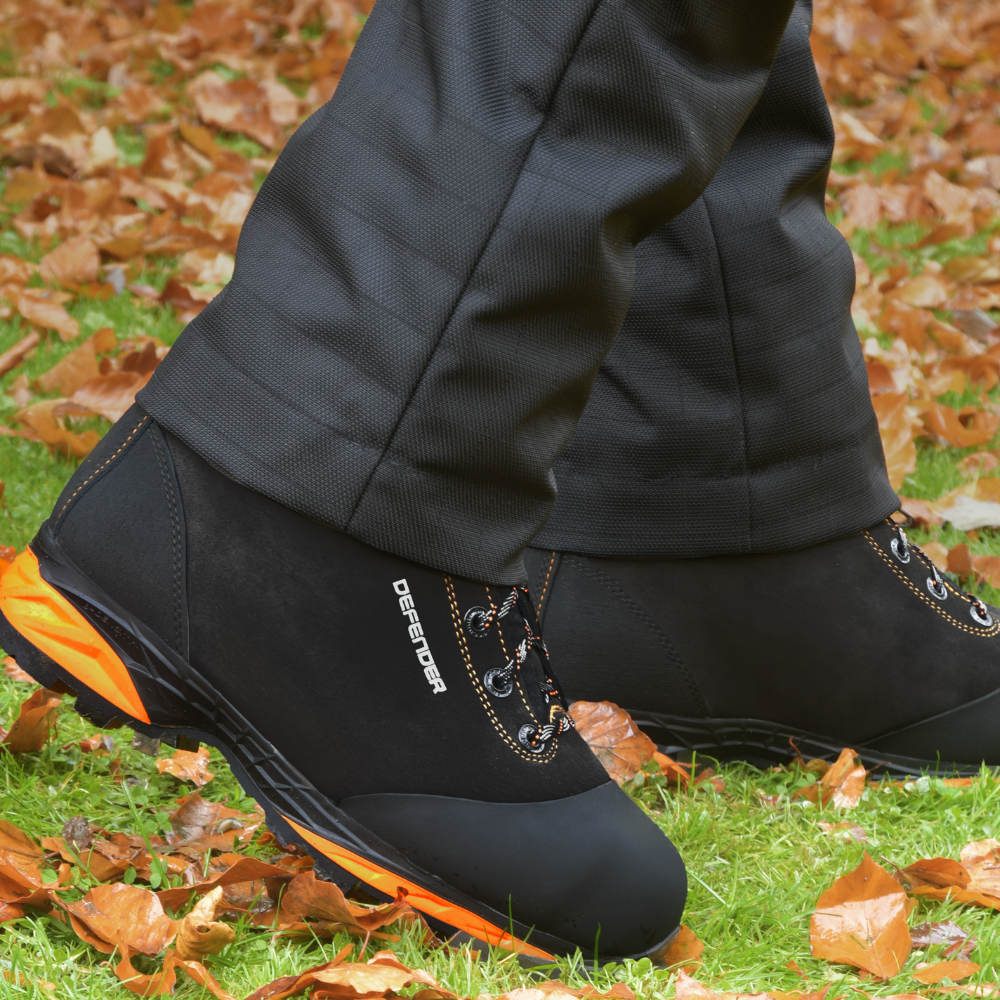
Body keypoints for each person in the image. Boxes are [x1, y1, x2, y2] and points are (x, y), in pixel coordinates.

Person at [1, 0, 996, 965]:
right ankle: (306, 488)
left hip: (720, 502)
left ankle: (710, 511)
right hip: (310, 493)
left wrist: (752, 491)